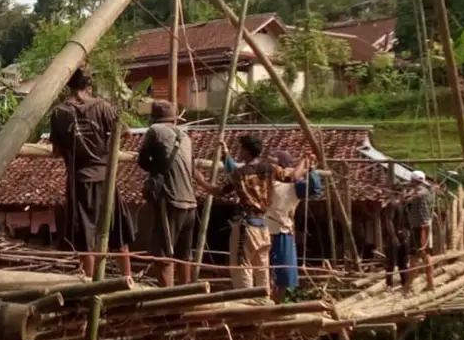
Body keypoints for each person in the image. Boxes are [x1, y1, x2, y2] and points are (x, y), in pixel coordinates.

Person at [49, 67, 134, 279]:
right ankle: (127, 276)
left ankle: (88, 282)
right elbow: (125, 133)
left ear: (68, 86)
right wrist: (102, 145)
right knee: (117, 231)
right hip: (106, 178)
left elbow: (56, 151)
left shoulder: (59, 113)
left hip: (80, 181)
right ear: (89, 85)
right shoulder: (103, 108)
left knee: (86, 235)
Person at [194, 135, 294, 294]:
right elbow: (292, 176)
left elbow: (219, 191)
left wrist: (201, 181)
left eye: (242, 149)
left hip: (247, 227)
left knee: (242, 267)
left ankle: (245, 302)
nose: (240, 152)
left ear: (246, 151)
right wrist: (305, 163)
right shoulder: (269, 169)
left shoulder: (239, 174)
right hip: (263, 227)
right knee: (262, 269)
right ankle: (264, 303)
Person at [137, 100, 195, 287]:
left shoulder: (155, 131)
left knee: (162, 254)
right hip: (190, 202)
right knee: (183, 255)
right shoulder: (186, 137)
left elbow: (143, 160)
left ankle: (167, 296)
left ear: (154, 118)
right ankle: (185, 295)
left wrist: (156, 168)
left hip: (171, 201)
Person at [265, 150, 321, 297]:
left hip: (281, 231)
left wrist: (310, 168)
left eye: (273, 164)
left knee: (283, 273)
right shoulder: (262, 182)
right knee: (262, 271)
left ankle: (281, 302)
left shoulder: (294, 187)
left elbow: (314, 188)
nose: (269, 167)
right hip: (261, 231)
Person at [402, 170, 437, 291]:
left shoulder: (421, 192)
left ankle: (430, 283)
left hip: (421, 227)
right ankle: (409, 284)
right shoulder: (424, 190)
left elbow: (409, 198)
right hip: (418, 226)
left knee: (424, 254)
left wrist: (407, 195)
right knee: (414, 255)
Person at [381, 196, 410, 289]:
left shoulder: (405, 205)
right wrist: (393, 237)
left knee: (404, 262)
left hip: (403, 235)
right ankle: (389, 284)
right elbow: (388, 220)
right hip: (394, 236)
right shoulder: (393, 204)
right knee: (391, 263)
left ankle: (404, 283)